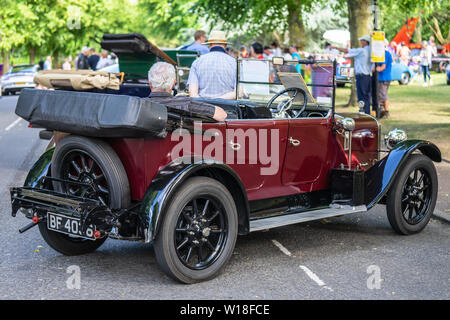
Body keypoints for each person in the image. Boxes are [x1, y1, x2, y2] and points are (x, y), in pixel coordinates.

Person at [148, 62, 227, 121]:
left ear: (150, 83)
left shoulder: (137, 105)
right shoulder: (185, 103)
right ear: (173, 83)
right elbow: (222, 115)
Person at [187, 30, 237, 99]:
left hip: (203, 107)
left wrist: (207, 104)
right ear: (225, 46)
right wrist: (217, 100)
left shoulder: (197, 62)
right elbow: (238, 93)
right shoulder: (235, 63)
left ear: (210, 45)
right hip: (228, 108)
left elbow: (192, 93)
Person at [332, 35, 372, 114]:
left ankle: (363, 112)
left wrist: (336, 47)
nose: (360, 42)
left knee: (361, 96)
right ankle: (366, 112)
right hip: (367, 75)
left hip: (361, 75)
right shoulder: (370, 51)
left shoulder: (362, 51)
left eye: (362, 41)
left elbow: (347, 51)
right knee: (366, 96)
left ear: (365, 42)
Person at [375, 40, 393, 118]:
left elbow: (383, 66)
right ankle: (382, 111)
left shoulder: (384, 54)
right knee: (381, 95)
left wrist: (376, 69)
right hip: (384, 77)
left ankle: (386, 111)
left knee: (383, 95)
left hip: (383, 78)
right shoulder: (386, 53)